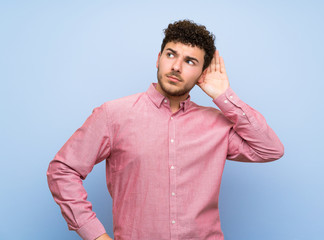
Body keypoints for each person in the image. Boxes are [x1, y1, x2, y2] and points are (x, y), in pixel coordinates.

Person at [47, 19, 284, 240]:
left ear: (202, 73)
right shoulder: (113, 115)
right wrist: (96, 235)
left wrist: (224, 96)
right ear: (159, 58)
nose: (177, 67)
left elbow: (270, 149)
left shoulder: (216, 124)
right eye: (171, 55)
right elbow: (62, 170)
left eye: (190, 61)